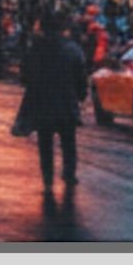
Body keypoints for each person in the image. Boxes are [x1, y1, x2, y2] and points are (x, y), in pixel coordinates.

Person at [17, 14, 89, 203]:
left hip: (43, 103)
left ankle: (48, 178)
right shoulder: (72, 49)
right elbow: (81, 76)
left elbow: (24, 76)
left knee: (45, 143)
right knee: (68, 141)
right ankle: (69, 173)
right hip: (66, 101)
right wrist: (80, 95)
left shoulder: (35, 49)